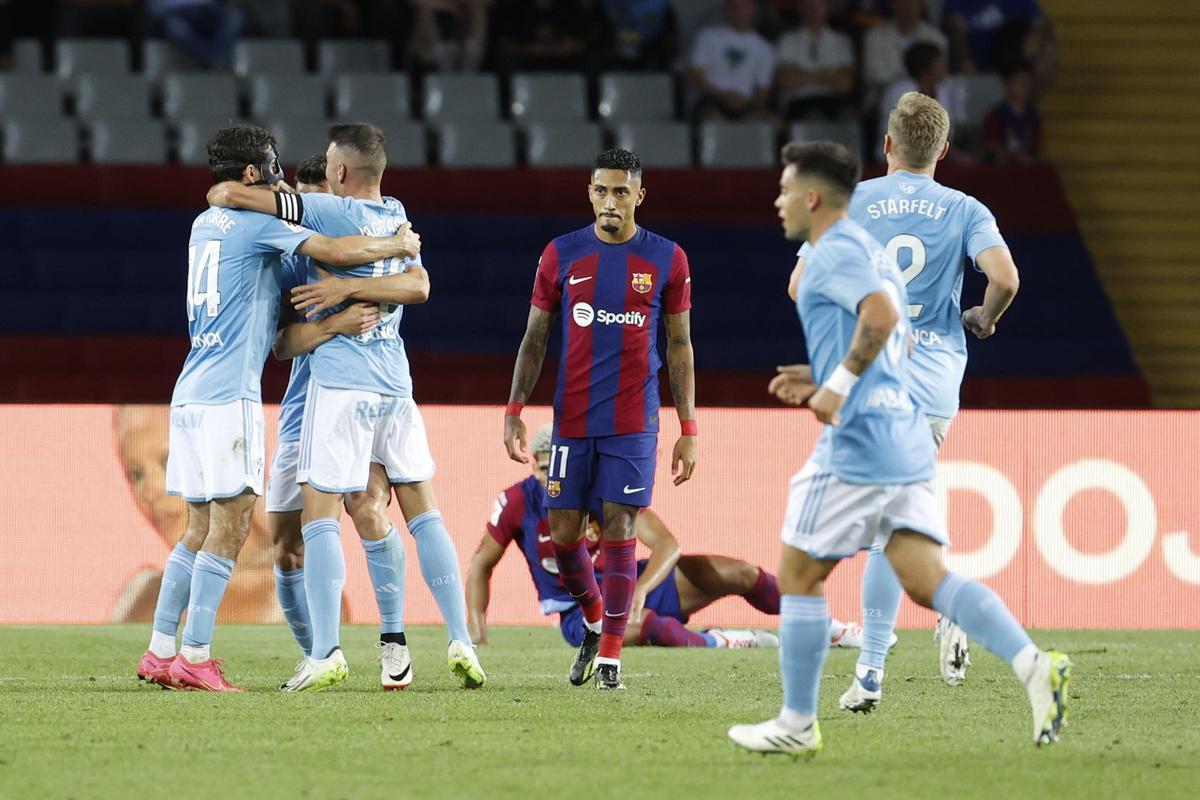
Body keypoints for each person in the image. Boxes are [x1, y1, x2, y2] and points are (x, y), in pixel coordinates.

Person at [727, 140, 1069, 756]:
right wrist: (822, 369)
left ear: (812, 197)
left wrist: (833, 384)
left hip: (862, 438)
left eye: (783, 191)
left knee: (799, 573)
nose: (776, 203)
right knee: (925, 577)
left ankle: (798, 723)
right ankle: (1033, 665)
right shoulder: (870, 254)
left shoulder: (835, 249)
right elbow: (897, 339)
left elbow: (883, 318)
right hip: (904, 427)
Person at [135, 123, 422, 692]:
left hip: (189, 389)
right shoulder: (258, 225)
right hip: (228, 397)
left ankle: (160, 650)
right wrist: (399, 243)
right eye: (269, 164)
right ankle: (195, 654)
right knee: (234, 522)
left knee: (195, 529)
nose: (277, 173)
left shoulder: (204, 223)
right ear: (250, 173)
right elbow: (337, 251)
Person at [207, 123, 487, 693]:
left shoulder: (327, 216)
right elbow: (411, 286)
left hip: (339, 394)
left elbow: (233, 194)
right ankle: (460, 638)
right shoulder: (396, 213)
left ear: (337, 175)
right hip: (392, 387)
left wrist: (339, 290)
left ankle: (333, 651)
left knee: (325, 517)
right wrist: (344, 300)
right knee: (421, 511)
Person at [790, 90, 1022, 699]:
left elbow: (799, 284)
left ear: (887, 145)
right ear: (943, 149)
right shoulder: (965, 206)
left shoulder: (852, 201)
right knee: (889, 519)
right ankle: (941, 610)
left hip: (873, 376)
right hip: (937, 374)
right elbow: (1004, 278)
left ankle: (870, 672)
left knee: (879, 525)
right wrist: (984, 318)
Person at [503, 147, 697, 690]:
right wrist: (515, 408)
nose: (609, 201)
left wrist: (689, 429)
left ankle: (611, 654)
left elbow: (679, 347)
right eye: (600, 190)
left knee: (620, 528)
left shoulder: (668, 259)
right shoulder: (561, 254)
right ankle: (593, 617)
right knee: (564, 534)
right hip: (573, 420)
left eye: (620, 191)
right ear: (589, 192)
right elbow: (535, 337)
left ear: (640, 194)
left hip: (635, 420)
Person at [472, 425, 867, 650]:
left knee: (741, 573)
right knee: (648, 628)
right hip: (581, 613)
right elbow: (480, 566)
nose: (551, 480)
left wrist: (640, 589)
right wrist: (476, 631)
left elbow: (667, 545)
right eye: (543, 470)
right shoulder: (516, 503)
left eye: (556, 470)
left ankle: (827, 627)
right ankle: (726, 642)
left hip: (631, 584)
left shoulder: (598, 489)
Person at [263, 155, 426, 692]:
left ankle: (393, 642)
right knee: (285, 548)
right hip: (300, 417)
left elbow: (418, 283)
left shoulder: (369, 250)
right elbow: (282, 344)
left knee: (369, 510)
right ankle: (318, 653)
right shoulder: (290, 261)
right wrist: (333, 321)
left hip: (361, 405)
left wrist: (372, 274)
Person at [113, 405, 279, 625]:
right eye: (136, 474)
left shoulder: (299, 595)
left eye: (169, 462)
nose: (149, 493)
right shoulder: (139, 593)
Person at [688, 0, 776, 121]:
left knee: (771, 123)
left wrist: (744, 102)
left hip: (746, 104)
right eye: (733, 6)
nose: (738, 11)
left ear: (754, 10)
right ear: (726, 9)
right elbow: (695, 78)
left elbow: (762, 93)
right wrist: (724, 96)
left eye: (744, 6)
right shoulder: (708, 36)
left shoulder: (765, 48)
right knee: (711, 118)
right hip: (711, 100)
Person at [876, 42, 964, 162]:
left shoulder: (946, 89)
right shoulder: (898, 92)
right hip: (898, 158)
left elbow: (951, 131)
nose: (944, 67)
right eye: (939, 63)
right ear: (925, 69)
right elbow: (894, 133)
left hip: (935, 158)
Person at [775, 0, 855, 120]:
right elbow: (786, 81)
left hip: (835, 101)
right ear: (800, 7)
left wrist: (802, 73)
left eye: (819, 4)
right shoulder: (787, 40)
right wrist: (828, 74)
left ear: (828, 7)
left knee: (850, 116)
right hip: (799, 101)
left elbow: (844, 84)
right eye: (808, 4)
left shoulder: (842, 42)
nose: (813, 9)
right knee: (814, 117)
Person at [862, 0, 947, 109]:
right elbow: (876, 79)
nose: (907, 6)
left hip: (930, 102)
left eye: (913, 2)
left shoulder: (937, 39)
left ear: (921, 5)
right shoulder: (874, 37)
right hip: (882, 104)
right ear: (893, 4)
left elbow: (941, 79)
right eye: (902, 2)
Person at [982, 61, 1041, 165]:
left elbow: (1037, 146)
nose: (1023, 86)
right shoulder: (996, 116)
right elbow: (989, 145)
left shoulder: (1033, 116)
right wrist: (1010, 154)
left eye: (1027, 82)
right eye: (1019, 81)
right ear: (1006, 83)